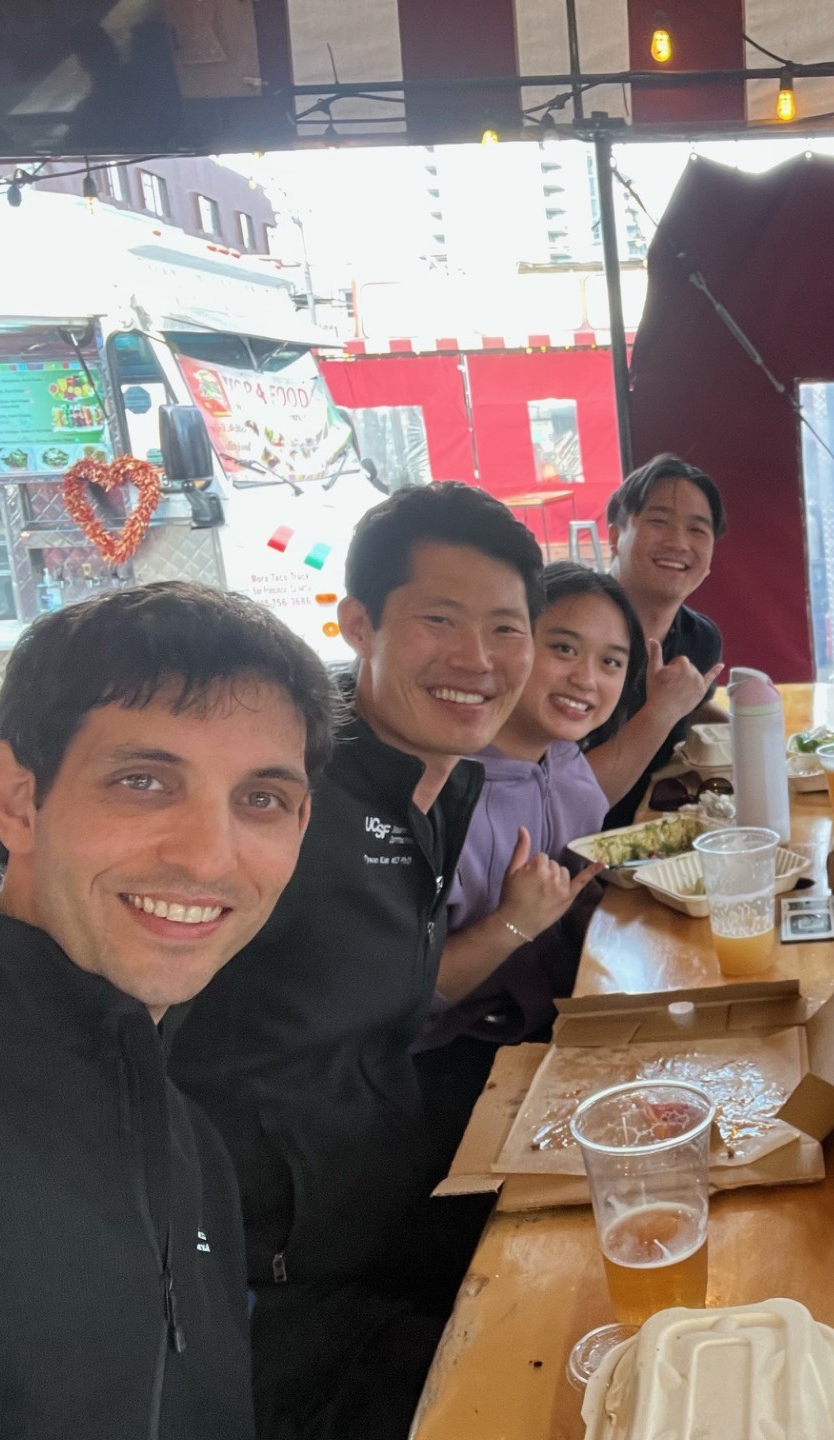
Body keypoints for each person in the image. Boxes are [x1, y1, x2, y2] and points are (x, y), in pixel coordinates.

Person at [0, 582, 337, 1439]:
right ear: (15, 800)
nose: (209, 857)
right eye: (143, 781)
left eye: (260, 799)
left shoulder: (186, 1136)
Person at [166, 482, 543, 1439]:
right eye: (440, 621)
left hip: (390, 1209)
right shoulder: (280, 796)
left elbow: (393, 996)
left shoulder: (439, 783)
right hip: (277, 1296)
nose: (478, 659)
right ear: (359, 623)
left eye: (506, 628)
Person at [413, 562, 645, 1147]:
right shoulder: (442, 792)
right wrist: (515, 922)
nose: (587, 679)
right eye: (563, 648)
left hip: (559, 1017)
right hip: (459, 1061)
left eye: (611, 662)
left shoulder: (563, 760)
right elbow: (411, 1000)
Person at [584, 454, 728, 829]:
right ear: (615, 537)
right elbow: (563, 794)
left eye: (698, 530)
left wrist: (758, 737)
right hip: (566, 859)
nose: (678, 542)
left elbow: (690, 710)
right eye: (658, 521)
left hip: (653, 841)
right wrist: (661, 711)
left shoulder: (700, 639)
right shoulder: (572, 638)